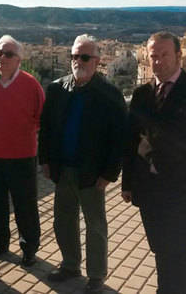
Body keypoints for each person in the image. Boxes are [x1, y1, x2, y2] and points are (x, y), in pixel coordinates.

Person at [122, 31, 186, 294]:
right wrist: (128, 183)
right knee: (160, 251)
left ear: (179, 56)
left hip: (183, 192)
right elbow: (130, 142)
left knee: (181, 257)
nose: (157, 62)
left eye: (164, 55)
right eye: (153, 56)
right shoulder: (142, 95)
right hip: (149, 191)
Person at [39, 35, 127, 292]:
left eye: (85, 56)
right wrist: (44, 160)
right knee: (63, 220)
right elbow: (46, 129)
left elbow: (119, 138)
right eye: (75, 56)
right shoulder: (57, 89)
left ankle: (97, 275)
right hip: (63, 168)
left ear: (97, 61)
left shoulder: (110, 94)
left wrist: (110, 173)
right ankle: (69, 265)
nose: (79, 61)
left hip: (92, 173)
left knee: (95, 225)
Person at [0, 35, 45, 267]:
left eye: (8, 54)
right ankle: (0, 243)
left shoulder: (31, 84)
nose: (2, 57)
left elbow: (40, 116)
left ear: (19, 59)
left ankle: (29, 248)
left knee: (25, 204)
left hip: (22, 156)